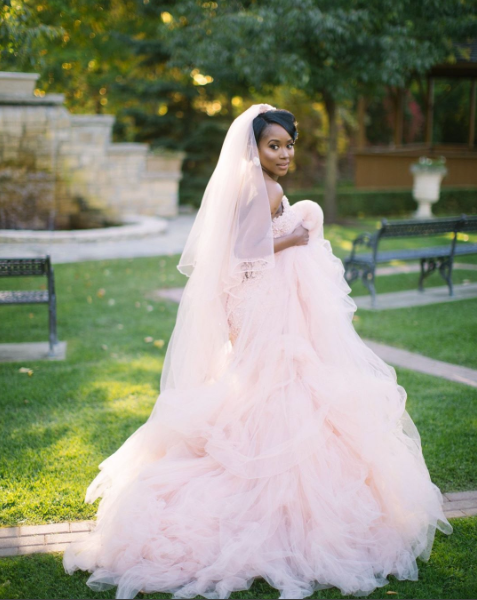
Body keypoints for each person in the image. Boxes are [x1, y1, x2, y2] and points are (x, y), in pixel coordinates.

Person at [63, 103, 453, 600]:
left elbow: (235, 258)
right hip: (266, 312)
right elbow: (250, 254)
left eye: (290, 144)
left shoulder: (252, 185)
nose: (285, 153)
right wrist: (294, 235)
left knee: (267, 393)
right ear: (256, 147)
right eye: (275, 145)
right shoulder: (262, 189)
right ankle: (278, 510)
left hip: (259, 308)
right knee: (282, 395)